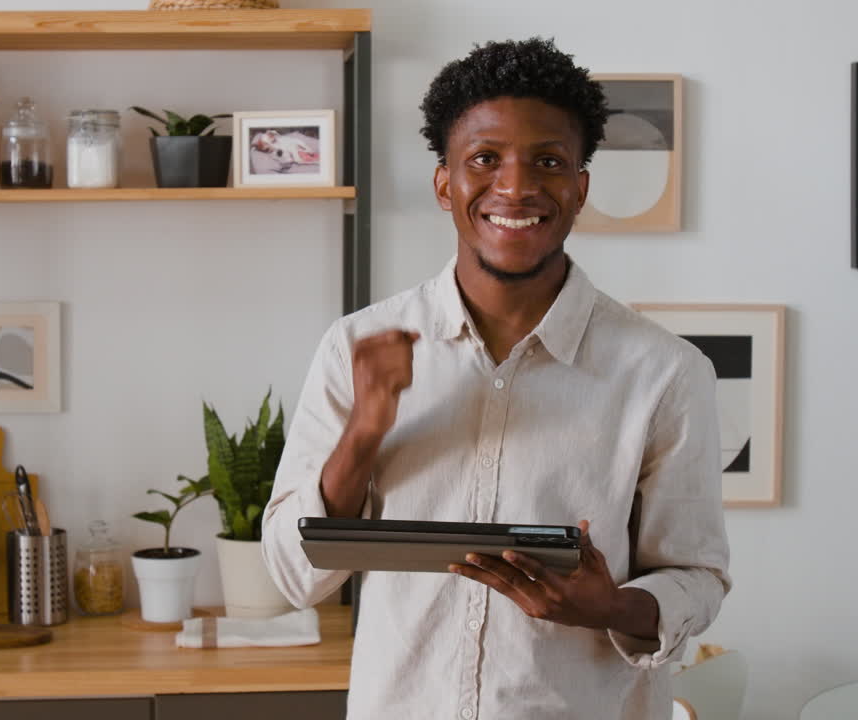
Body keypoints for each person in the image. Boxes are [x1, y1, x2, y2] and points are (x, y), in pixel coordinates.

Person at [261, 37, 731, 720]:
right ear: (444, 183)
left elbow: (698, 577)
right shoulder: (354, 348)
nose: (515, 187)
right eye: (485, 159)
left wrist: (612, 606)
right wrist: (365, 430)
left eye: (548, 161)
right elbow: (292, 574)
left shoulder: (664, 372)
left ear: (580, 187)